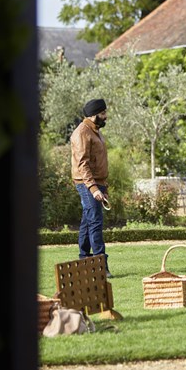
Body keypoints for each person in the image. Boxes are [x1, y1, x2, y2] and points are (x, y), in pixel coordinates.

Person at [70, 98, 113, 278]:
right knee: (95, 221)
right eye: (103, 113)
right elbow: (83, 164)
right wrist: (94, 188)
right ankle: (99, 265)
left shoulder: (94, 131)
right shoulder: (82, 133)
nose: (106, 116)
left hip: (97, 183)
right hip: (87, 183)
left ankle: (84, 260)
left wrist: (103, 186)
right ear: (94, 115)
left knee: (88, 222)